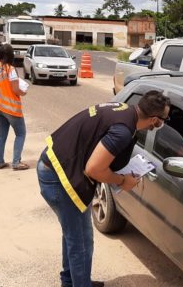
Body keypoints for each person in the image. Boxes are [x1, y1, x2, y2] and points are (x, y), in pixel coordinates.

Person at [36, 90, 170, 287]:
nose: (162, 124)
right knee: (80, 241)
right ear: (153, 120)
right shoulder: (123, 130)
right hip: (59, 177)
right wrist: (123, 181)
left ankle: (71, 281)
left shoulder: (125, 111)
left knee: (77, 236)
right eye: (163, 120)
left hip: (60, 167)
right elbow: (93, 169)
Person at [0, 43, 29, 170]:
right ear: (11, 55)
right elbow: (16, 90)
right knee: (21, 133)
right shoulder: (10, 69)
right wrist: (23, 92)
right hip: (10, 107)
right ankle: (16, 162)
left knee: (2, 134)